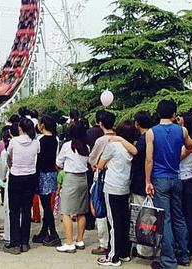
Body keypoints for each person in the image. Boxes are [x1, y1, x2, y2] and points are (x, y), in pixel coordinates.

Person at [145, 99, 192, 269]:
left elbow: (149, 159)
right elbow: (190, 146)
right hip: (176, 177)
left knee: (165, 220)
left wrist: (148, 181)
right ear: (174, 113)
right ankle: (184, 255)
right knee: (179, 217)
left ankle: (168, 260)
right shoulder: (182, 130)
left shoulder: (151, 133)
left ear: (158, 113)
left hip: (160, 179)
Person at [88, 111, 137, 256]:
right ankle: (124, 252)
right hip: (124, 186)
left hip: (110, 185)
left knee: (110, 219)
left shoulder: (109, 144)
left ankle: (112, 253)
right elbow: (134, 151)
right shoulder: (129, 148)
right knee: (123, 218)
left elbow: (97, 162)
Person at [4, 117, 40, 254]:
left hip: (16, 176)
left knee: (14, 211)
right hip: (30, 176)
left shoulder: (13, 141)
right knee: (26, 209)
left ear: (21, 128)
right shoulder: (36, 143)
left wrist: (12, 166)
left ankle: (15, 243)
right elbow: (37, 155)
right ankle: (25, 242)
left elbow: (9, 157)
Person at [55, 121, 90, 254]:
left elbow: (58, 162)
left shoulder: (67, 146)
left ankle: (69, 242)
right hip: (83, 179)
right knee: (81, 211)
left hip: (70, 179)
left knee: (66, 211)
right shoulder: (86, 147)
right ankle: (80, 240)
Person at [33, 114, 61, 246]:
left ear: (42, 125)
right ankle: (44, 232)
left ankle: (54, 234)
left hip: (42, 174)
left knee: (46, 206)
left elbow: (37, 161)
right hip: (52, 174)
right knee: (46, 205)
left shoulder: (41, 140)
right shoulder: (55, 139)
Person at [131, 111, 155, 259]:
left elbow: (142, 160)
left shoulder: (142, 140)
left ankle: (144, 250)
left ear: (137, 124)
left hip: (141, 182)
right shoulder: (154, 137)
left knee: (143, 217)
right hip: (155, 180)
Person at [178, 112, 192, 257]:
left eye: (180, 120)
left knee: (187, 215)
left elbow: (179, 156)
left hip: (187, 178)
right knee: (183, 214)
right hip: (182, 178)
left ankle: (189, 246)